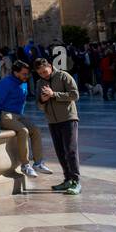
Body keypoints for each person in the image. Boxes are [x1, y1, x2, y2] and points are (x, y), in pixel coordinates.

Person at [0, 60, 52, 178]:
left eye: (27, 74)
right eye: (24, 74)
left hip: (19, 115)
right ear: (15, 72)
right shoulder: (5, 83)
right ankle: (25, 165)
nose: (27, 76)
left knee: (35, 130)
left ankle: (38, 163)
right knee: (23, 130)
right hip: (5, 114)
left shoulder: (23, 82)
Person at [34, 57, 81, 194]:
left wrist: (54, 94)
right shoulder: (39, 83)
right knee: (60, 152)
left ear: (50, 66)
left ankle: (76, 181)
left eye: (45, 71)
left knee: (71, 151)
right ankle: (67, 179)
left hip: (68, 118)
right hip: (52, 121)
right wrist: (43, 100)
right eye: (40, 73)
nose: (44, 74)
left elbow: (75, 95)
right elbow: (39, 104)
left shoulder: (63, 76)